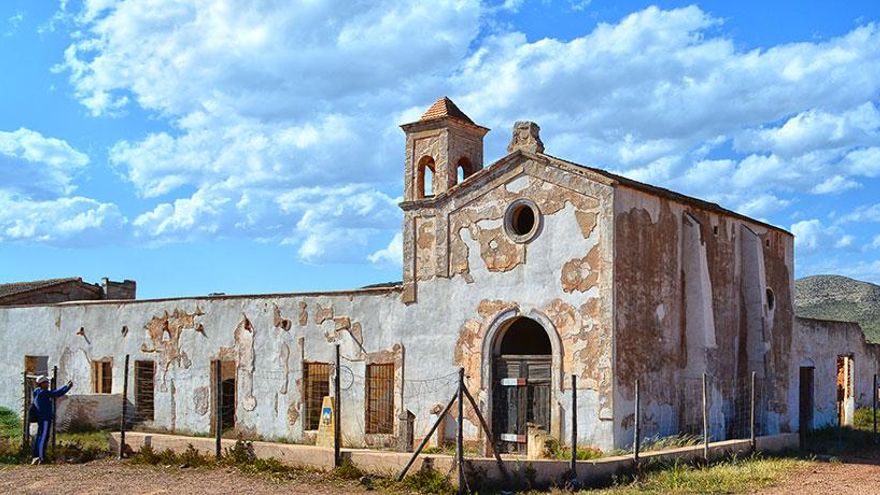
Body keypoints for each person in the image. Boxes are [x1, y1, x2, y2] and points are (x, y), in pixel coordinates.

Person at [30, 375, 73, 465]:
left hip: (40, 418)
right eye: (46, 382)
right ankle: (41, 458)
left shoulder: (36, 392)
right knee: (43, 438)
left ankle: (36, 456)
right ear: (41, 384)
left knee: (39, 437)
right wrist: (67, 387)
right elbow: (56, 393)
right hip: (45, 418)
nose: (48, 384)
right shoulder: (44, 393)